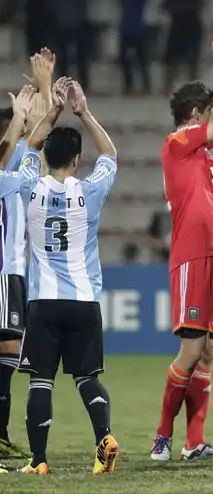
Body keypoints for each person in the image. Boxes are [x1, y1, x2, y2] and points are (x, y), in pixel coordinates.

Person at [150, 39, 213, 463]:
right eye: (206, 112)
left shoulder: (197, 148)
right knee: (191, 350)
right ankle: (161, 436)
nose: (212, 119)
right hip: (192, 254)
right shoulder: (177, 142)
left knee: (208, 350)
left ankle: (195, 443)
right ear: (195, 116)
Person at [17, 77, 120, 475]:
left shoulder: (30, 185)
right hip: (84, 300)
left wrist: (54, 110)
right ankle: (104, 438)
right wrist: (84, 112)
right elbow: (110, 154)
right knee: (86, 377)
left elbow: (29, 145)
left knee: (41, 381)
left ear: (46, 156)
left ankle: (39, 461)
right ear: (77, 160)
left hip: (43, 301)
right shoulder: (89, 191)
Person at [0, 51, 54, 463]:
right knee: (9, 346)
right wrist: (22, 116)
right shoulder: (4, 164)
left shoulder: (17, 160)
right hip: (5, 270)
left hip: (17, 271)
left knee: (12, 348)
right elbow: (13, 145)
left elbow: (41, 136)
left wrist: (38, 105)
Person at [161, 0, 203, 94]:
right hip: (178, 28)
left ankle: (195, 90)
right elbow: (165, 7)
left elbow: (197, 6)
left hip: (191, 28)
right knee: (170, 60)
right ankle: (168, 87)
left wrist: (179, 8)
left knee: (192, 61)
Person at [48, 0, 90, 90]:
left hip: (61, 22)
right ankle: (84, 81)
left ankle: (62, 81)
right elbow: (82, 2)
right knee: (80, 55)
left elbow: (52, 5)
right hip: (77, 22)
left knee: (62, 55)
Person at [118, 0, 152, 95]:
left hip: (133, 27)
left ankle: (140, 85)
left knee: (140, 60)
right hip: (132, 27)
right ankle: (132, 85)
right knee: (131, 60)